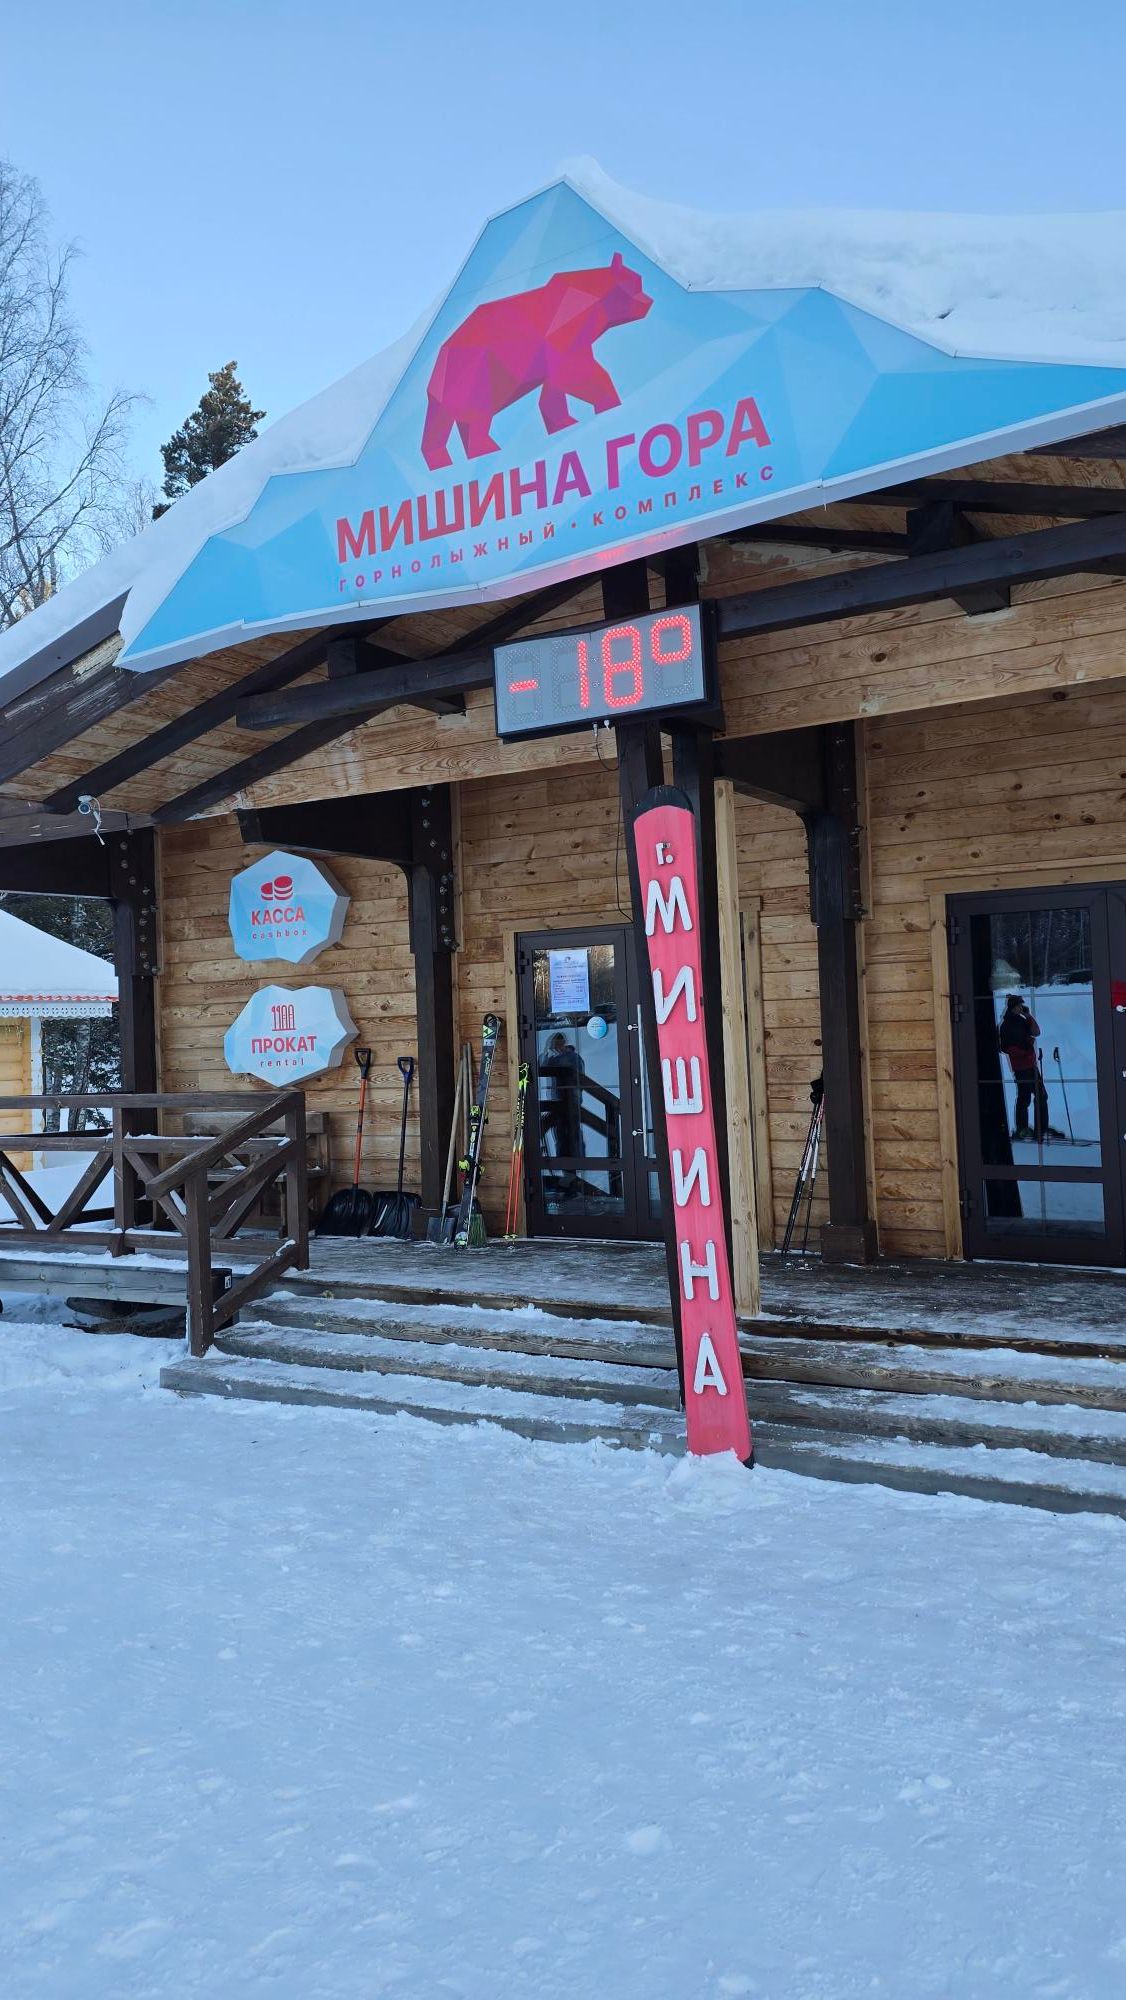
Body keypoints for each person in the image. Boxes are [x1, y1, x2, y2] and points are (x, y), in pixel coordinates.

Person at [997, 994, 1064, 1141]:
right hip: (1021, 1067)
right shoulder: (1006, 1025)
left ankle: (1041, 1128)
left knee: (1041, 1096)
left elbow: (1036, 1032)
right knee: (1025, 1097)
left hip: (1030, 1065)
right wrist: (1025, 1050)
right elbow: (1005, 1047)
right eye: (1019, 1006)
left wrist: (1028, 1016)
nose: (1021, 1008)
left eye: (1021, 1005)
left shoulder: (1022, 1021)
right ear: (1013, 1007)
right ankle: (1023, 1129)